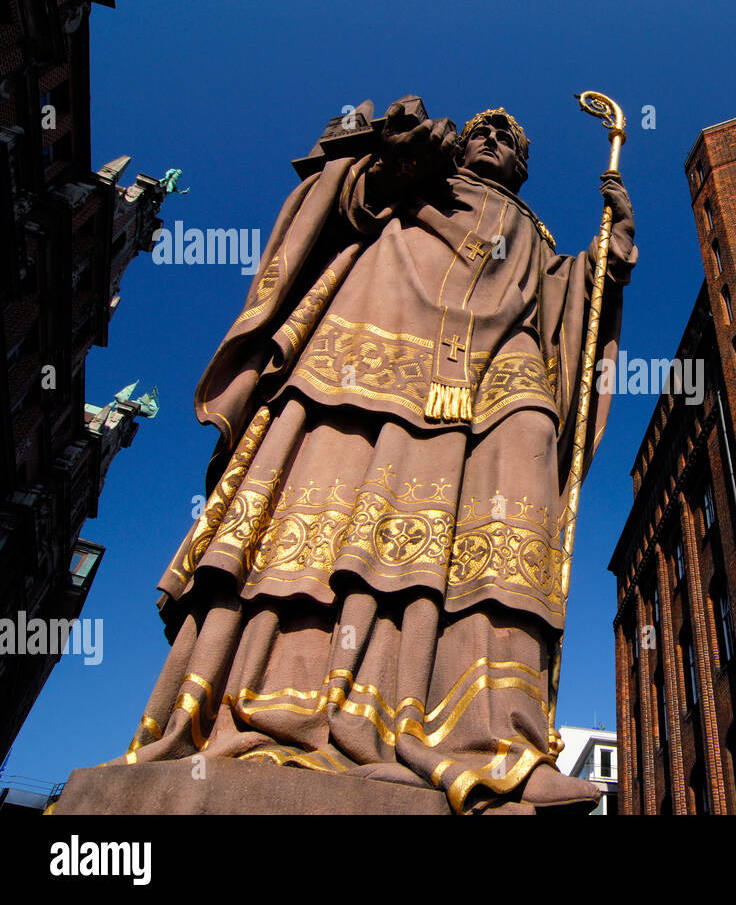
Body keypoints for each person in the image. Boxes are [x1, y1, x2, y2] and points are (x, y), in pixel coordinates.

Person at [111, 98, 635, 813]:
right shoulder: (422, 176)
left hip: (500, 374)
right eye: (481, 127)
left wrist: (606, 260)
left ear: (522, 166)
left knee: (523, 467)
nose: (490, 137)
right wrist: (395, 157)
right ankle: (273, 704)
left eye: (508, 139)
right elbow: (342, 206)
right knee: (327, 499)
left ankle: (493, 735)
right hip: (370, 346)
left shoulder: (537, 238)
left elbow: (572, 319)